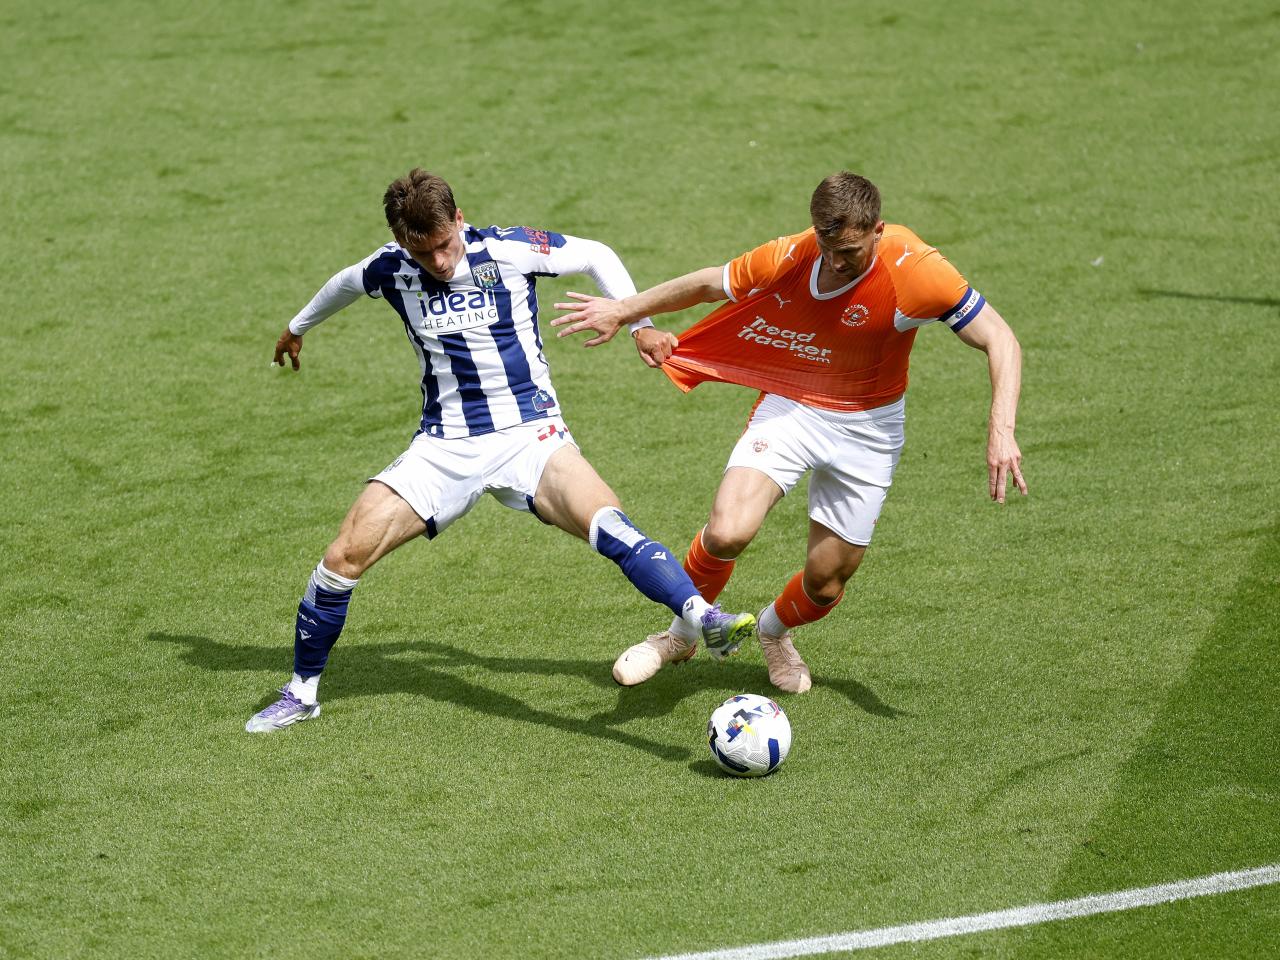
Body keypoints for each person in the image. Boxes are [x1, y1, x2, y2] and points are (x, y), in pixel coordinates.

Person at [245, 169, 755, 732]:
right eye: (423, 252)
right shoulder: (389, 267)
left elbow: (596, 255)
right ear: (401, 241)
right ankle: (302, 692)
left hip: (529, 434)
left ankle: (704, 618)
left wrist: (640, 326)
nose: (438, 261)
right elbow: (343, 283)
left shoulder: (508, 250)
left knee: (607, 523)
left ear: (459, 220)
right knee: (344, 556)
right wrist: (298, 327)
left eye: (445, 244)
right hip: (444, 446)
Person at [552, 172, 1026, 694]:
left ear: (878, 229)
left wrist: (1000, 431)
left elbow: (1000, 338)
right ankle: (681, 633)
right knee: (729, 529)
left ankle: (775, 633)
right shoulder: (797, 253)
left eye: (850, 250)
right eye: (828, 246)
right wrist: (626, 310)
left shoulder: (917, 272)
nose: (837, 261)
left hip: (869, 427)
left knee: (827, 582)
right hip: (794, 403)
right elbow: (714, 281)